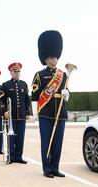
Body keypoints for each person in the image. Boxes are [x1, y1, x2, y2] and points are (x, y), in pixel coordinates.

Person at [32, 30, 69, 178]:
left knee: (58, 142)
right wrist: (35, 113)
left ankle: (55, 167)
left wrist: (67, 94)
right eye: (51, 57)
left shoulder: (63, 74)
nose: (54, 59)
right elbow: (35, 95)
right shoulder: (40, 75)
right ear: (45, 58)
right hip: (46, 112)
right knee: (46, 141)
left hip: (60, 112)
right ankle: (46, 168)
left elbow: (66, 89)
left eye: (55, 57)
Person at [2, 62, 32, 164]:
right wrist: (4, 111)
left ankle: (19, 157)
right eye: (15, 71)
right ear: (10, 72)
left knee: (20, 137)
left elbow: (27, 99)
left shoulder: (24, 84)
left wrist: (28, 112)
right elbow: (2, 101)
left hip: (22, 115)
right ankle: (11, 156)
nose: (17, 73)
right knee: (11, 137)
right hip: (11, 116)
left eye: (18, 71)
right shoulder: (6, 85)